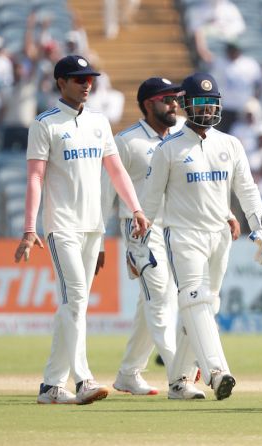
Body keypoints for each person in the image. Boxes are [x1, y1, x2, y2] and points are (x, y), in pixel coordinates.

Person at [13, 55, 149, 405]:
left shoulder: (99, 122)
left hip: (93, 225)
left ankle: (51, 386)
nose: (86, 84)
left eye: (89, 78)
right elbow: (35, 177)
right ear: (61, 83)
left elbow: (117, 171)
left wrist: (135, 208)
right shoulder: (45, 124)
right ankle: (83, 379)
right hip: (62, 227)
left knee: (74, 306)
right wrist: (30, 228)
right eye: (78, 79)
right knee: (75, 300)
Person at [141, 72, 262, 400]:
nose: (208, 109)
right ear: (185, 105)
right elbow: (149, 203)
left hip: (220, 235)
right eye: (200, 102)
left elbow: (247, 190)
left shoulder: (230, 144)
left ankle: (179, 382)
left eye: (212, 103)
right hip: (182, 235)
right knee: (195, 299)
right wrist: (138, 245)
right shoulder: (168, 149)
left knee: (205, 305)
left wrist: (261, 228)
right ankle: (217, 372)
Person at [97, 77, 185, 396]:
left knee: (153, 301)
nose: (174, 103)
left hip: (179, 228)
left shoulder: (183, 134)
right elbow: (106, 195)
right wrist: (100, 242)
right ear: (149, 104)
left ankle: (128, 373)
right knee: (161, 297)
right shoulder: (126, 141)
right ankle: (180, 374)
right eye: (167, 99)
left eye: (176, 98)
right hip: (141, 230)